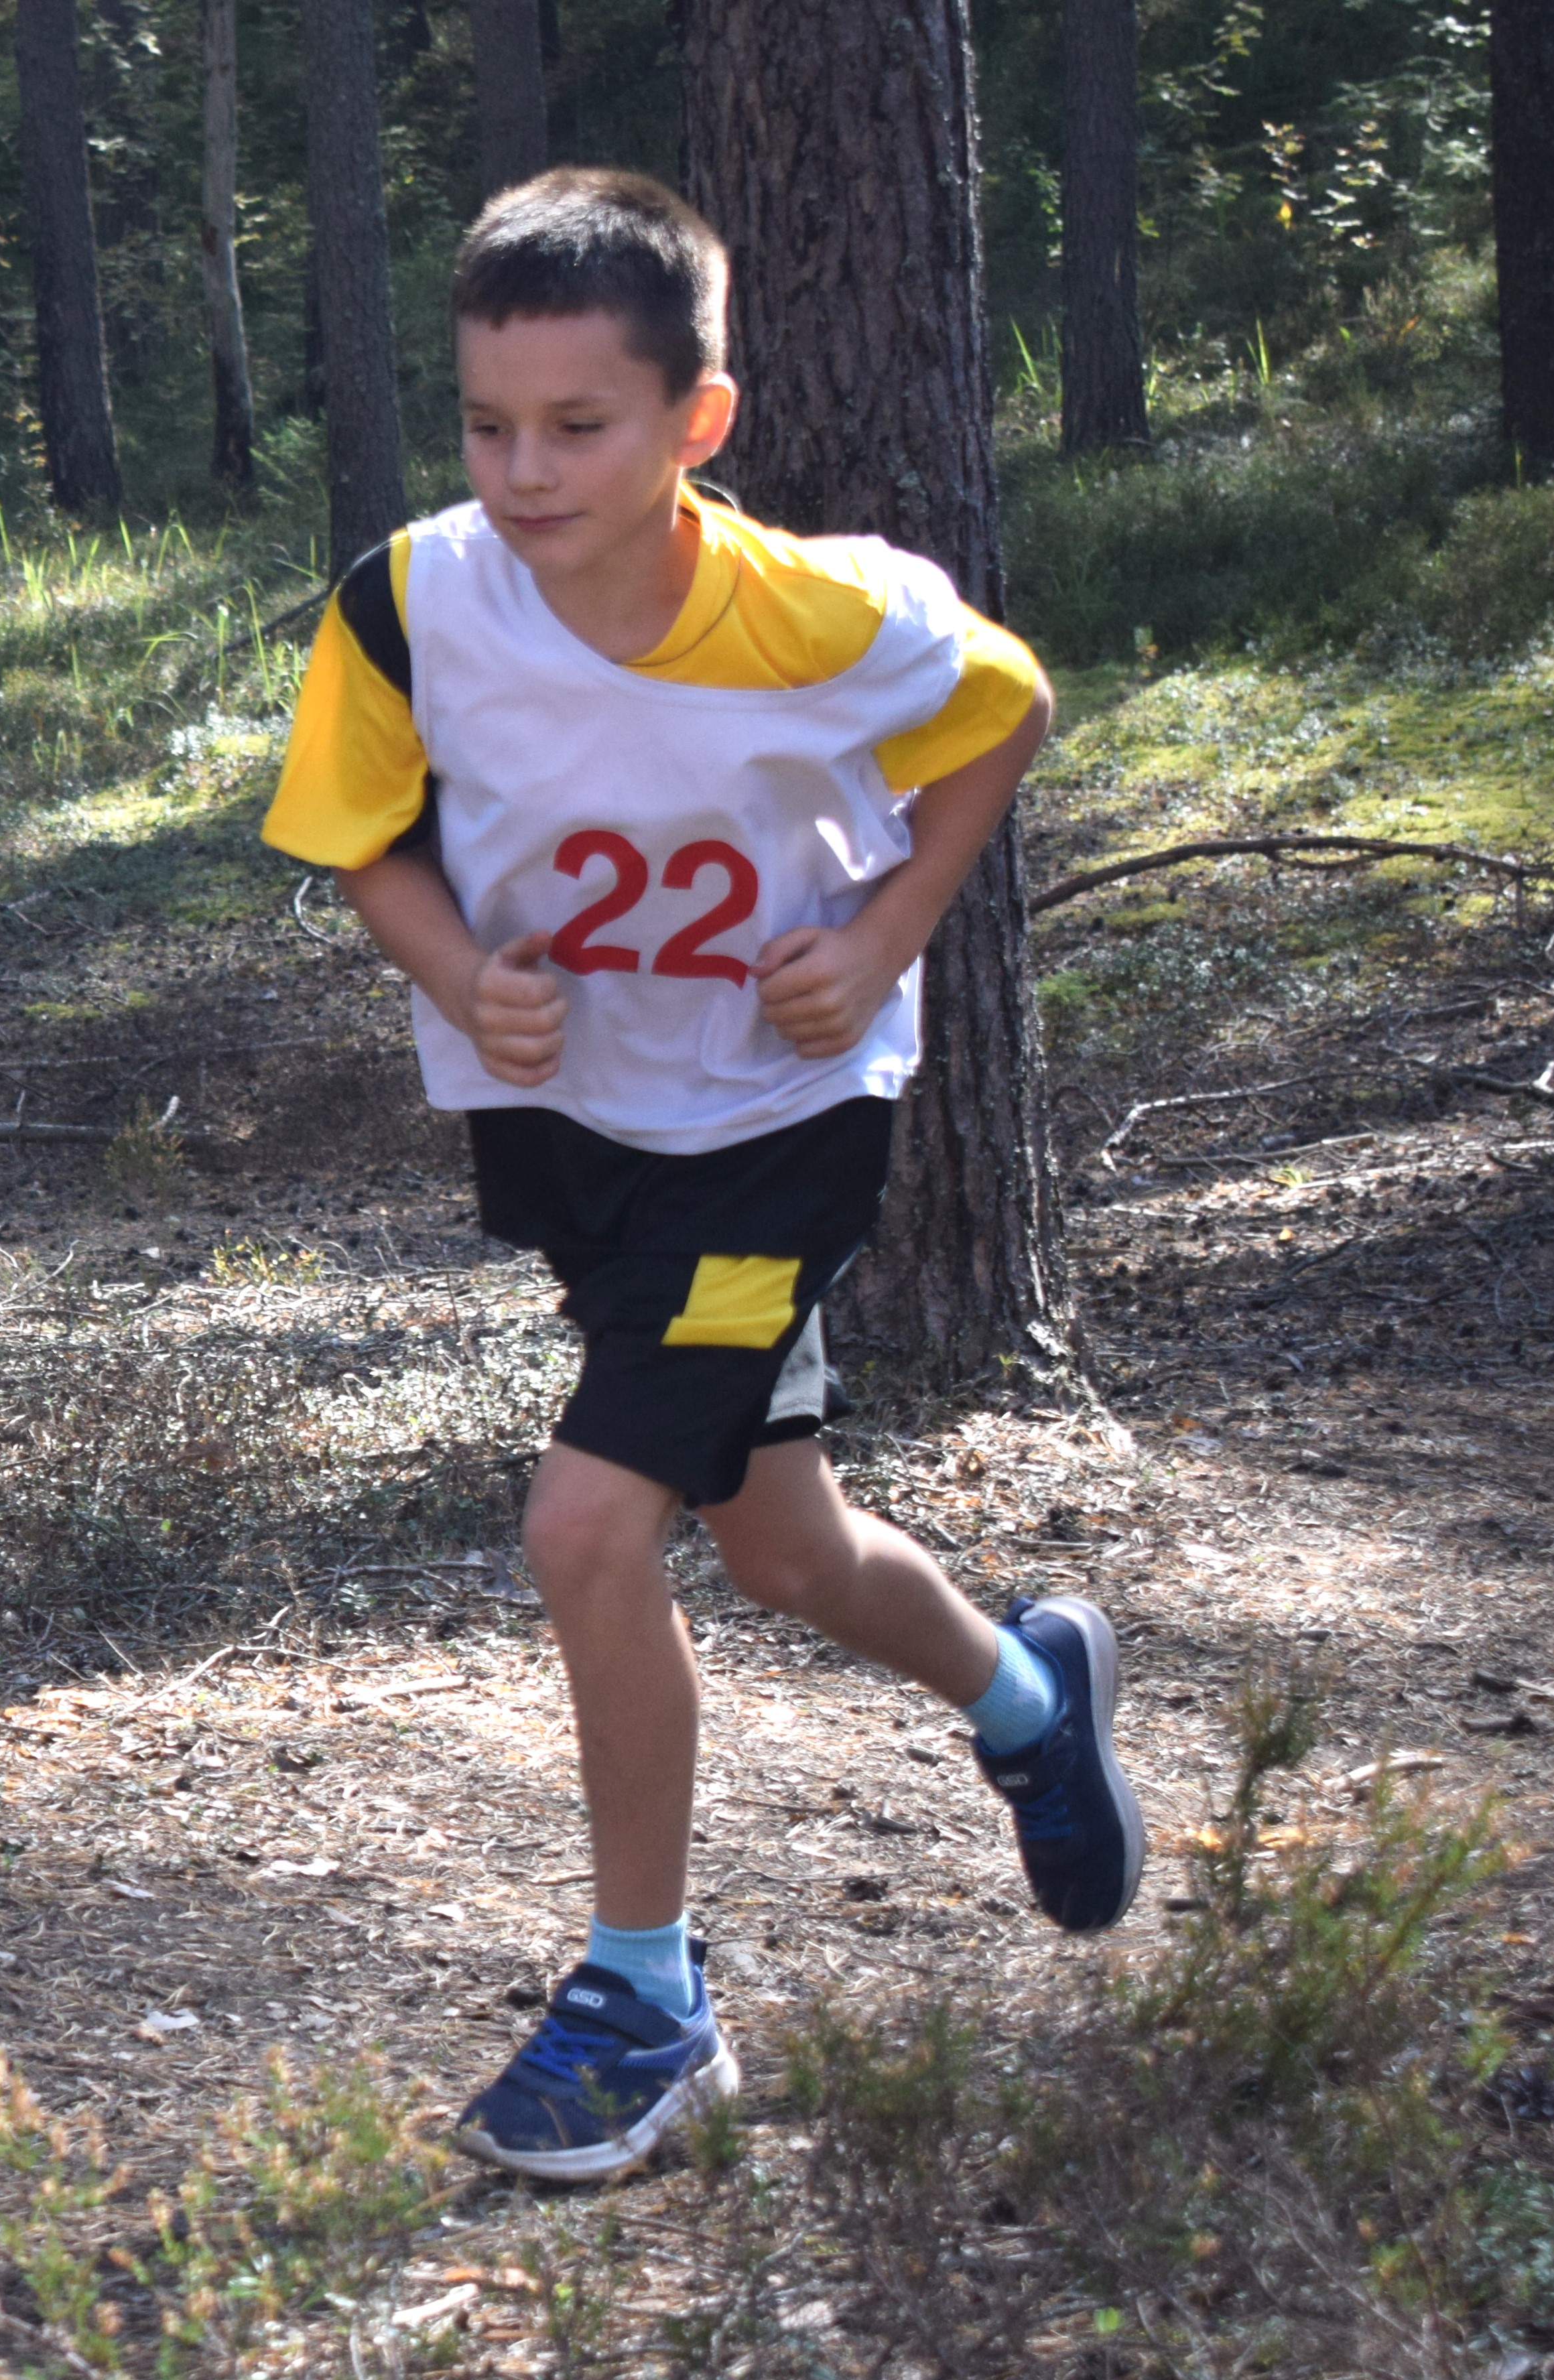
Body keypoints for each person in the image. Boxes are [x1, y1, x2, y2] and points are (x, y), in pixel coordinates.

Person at [260, 168, 1142, 2183]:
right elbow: (355, 834)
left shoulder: (823, 612)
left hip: (778, 1137)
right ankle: (1026, 1696)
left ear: (696, 425)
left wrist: (894, 929)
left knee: (589, 1529)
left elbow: (1006, 709)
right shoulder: (411, 600)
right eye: (491, 424)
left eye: (580, 427)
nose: (525, 469)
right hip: (580, 1137)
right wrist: (463, 974)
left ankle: (643, 2004)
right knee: (778, 1545)